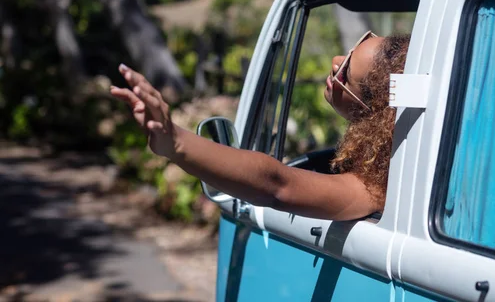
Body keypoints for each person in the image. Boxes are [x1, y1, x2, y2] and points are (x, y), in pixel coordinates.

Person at [110, 33, 409, 221]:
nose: (334, 61)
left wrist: (176, 142)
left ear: (374, 111)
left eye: (344, 70)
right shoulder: (390, 163)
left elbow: (278, 185)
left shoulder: (373, 188)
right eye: (355, 44)